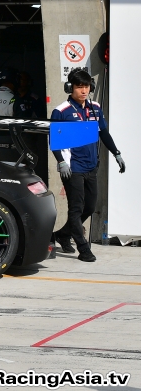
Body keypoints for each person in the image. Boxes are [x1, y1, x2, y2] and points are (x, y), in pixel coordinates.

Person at [50, 68, 126, 262]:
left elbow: (104, 133)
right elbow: (55, 140)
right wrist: (61, 162)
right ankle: (83, 248)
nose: (84, 91)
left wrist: (116, 153)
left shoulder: (95, 107)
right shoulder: (61, 111)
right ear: (70, 87)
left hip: (91, 166)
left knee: (89, 207)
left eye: (86, 86)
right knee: (75, 209)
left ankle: (62, 235)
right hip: (72, 167)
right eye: (79, 87)